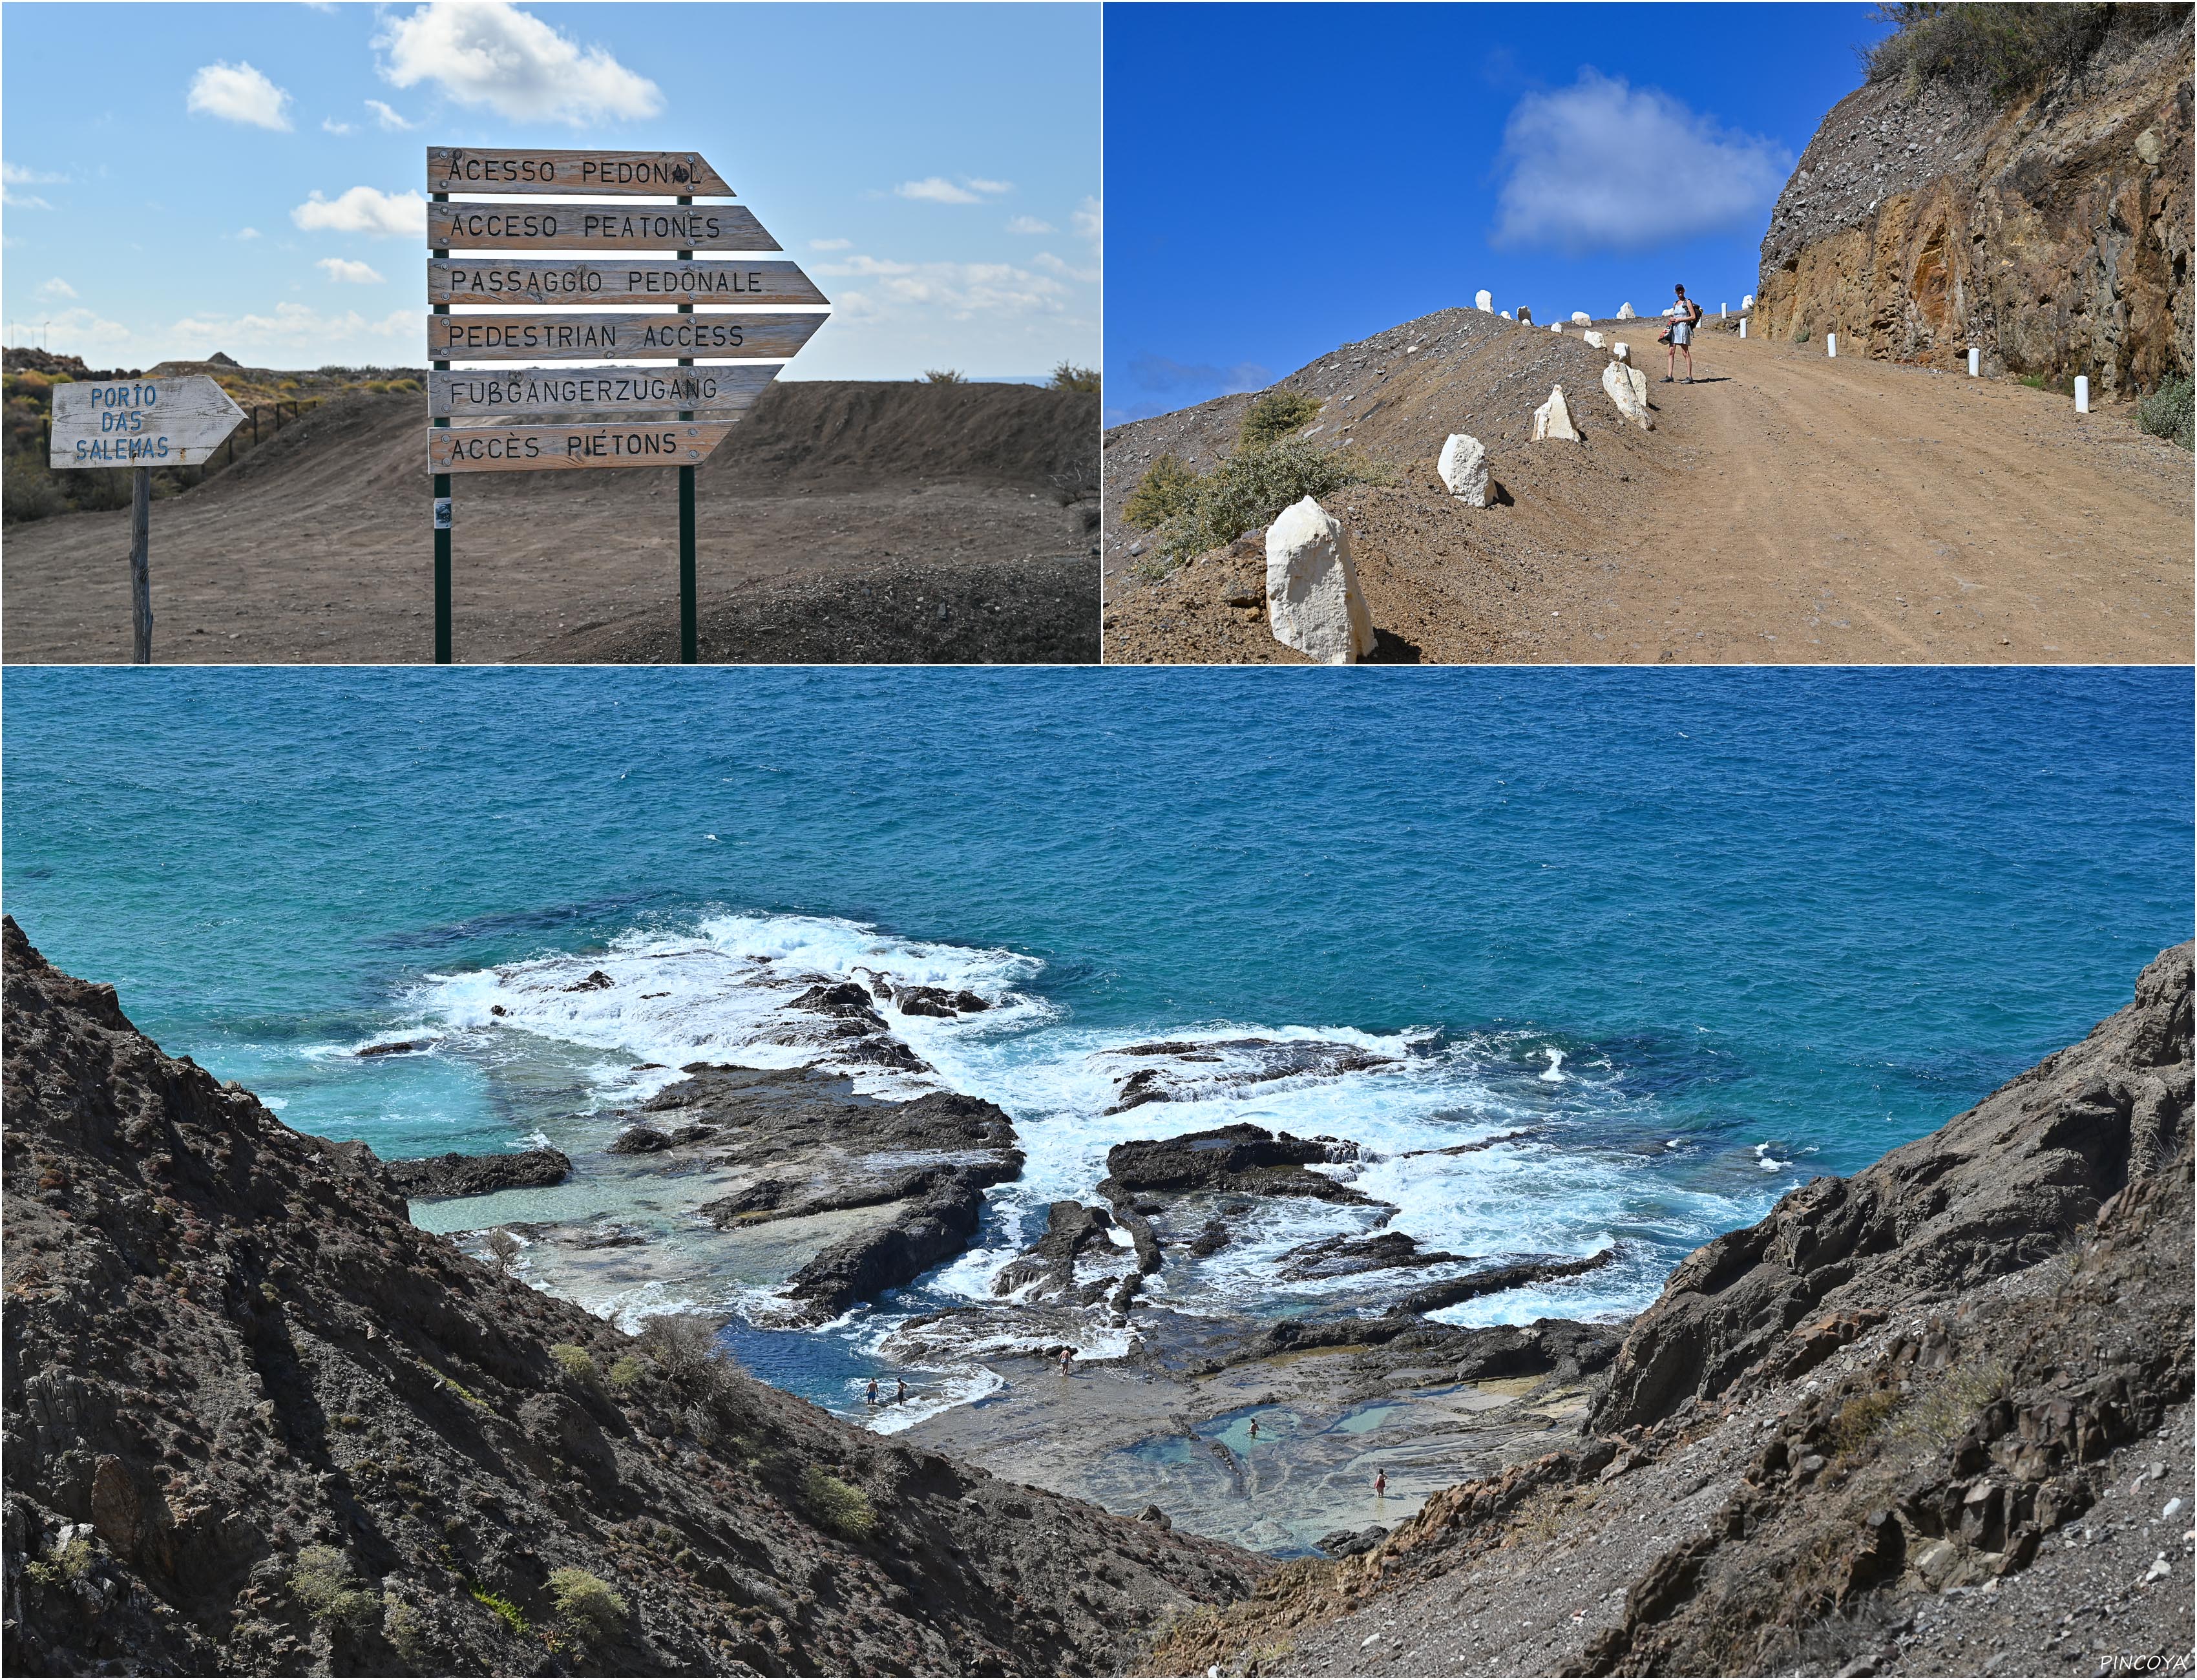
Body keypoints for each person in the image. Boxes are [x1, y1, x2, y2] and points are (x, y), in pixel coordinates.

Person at [1663, 283, 1703, 384]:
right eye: (1678, 290)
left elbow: (1693, 317)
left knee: (1685, 352)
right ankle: (1669, 376)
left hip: (1683, 329)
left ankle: (1689, 377)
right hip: (1675, 329)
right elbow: (1674, 316)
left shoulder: (1688, 302)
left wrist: (1681, 319)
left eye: (1681, 290)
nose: (1680, 292)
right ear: (1676, 292)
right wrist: (1672, 319)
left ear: (1684, 290)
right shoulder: (1675, 304)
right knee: (1671, 352)